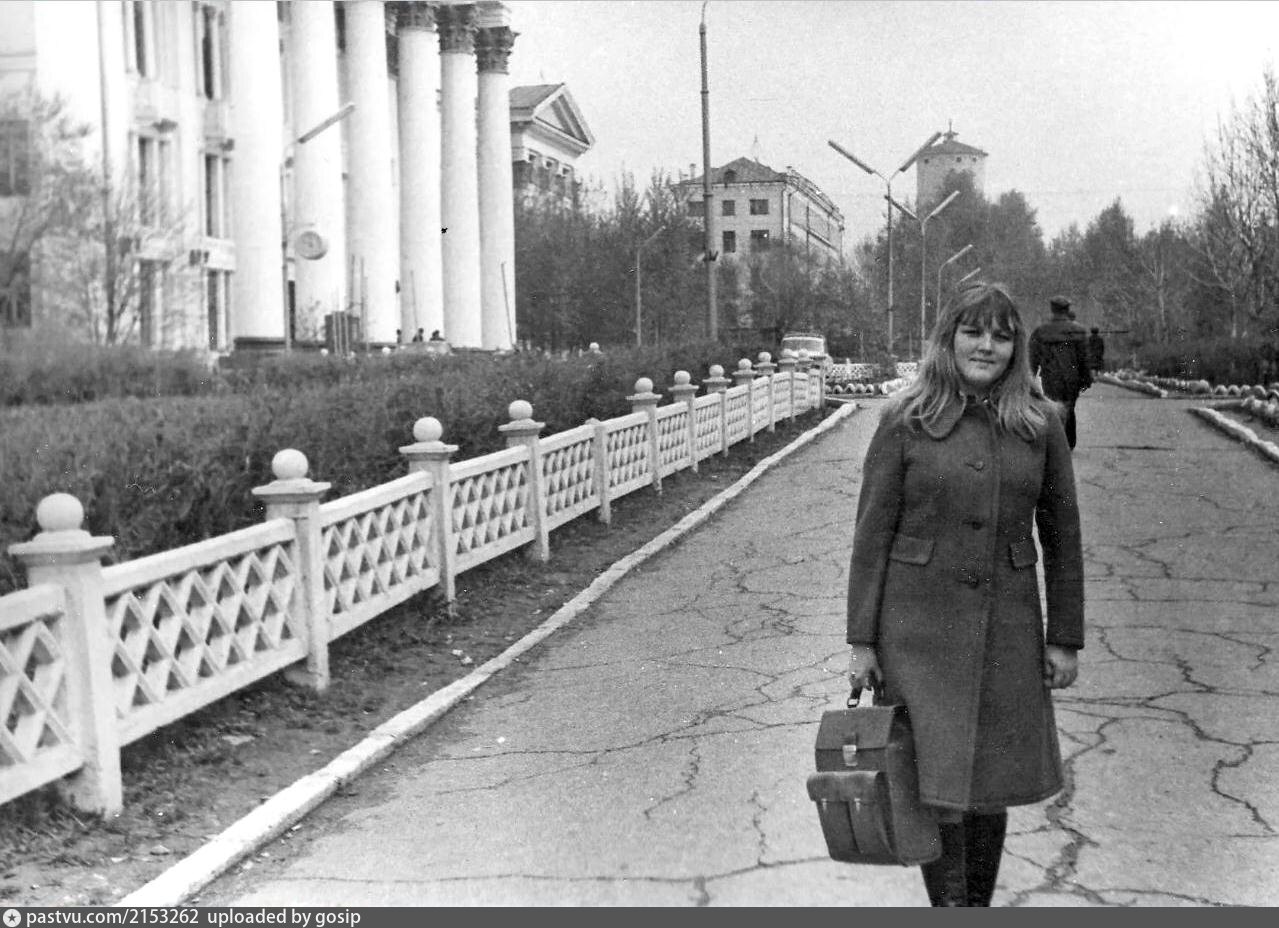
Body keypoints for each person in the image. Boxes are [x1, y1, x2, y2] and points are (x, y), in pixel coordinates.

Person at [846, 282, 1084, 907]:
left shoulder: (1041, 423)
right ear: (948, 338)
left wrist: (1064, 638)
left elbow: (1063, 537)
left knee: (988, 785)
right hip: (917, 634)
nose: (986, 346)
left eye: (1001, 336)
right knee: (936, 782)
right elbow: (871, 536)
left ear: (1016, 347)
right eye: (973, 332)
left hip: (1008, 630)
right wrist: (861, 642)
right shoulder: (905, 420)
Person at [1029, 296, 1092, 450]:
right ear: (1067, 309)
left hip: (1050, 378)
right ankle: (1068, 443)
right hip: (1072, 378)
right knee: (1069, 408)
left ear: (1052, 309)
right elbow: (1084, 359)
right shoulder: (1079, 331)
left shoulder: (1041, 331)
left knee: (1054, 408)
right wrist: (1086, 379)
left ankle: (1056, 443)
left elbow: (1032, 358)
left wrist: (1030, 379)